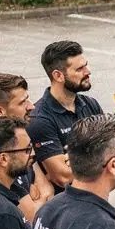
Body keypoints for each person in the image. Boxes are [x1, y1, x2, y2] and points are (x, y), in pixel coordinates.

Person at [28, 41, 103, 194]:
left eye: (86, 65)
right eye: (80, 69)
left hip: (98, 197)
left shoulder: (91, 105)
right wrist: (99, 155)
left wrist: (75, 157)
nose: (88, 71)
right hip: (66, 205)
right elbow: (63, 177)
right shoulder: (39, 119)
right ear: (58, 75)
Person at [0, 73, 54, 224]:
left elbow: (48, 191)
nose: (31, 106)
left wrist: (38, 197)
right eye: (22, 102)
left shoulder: (21, 140)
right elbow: (33, 216)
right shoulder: (3, 157)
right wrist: (37, 195)